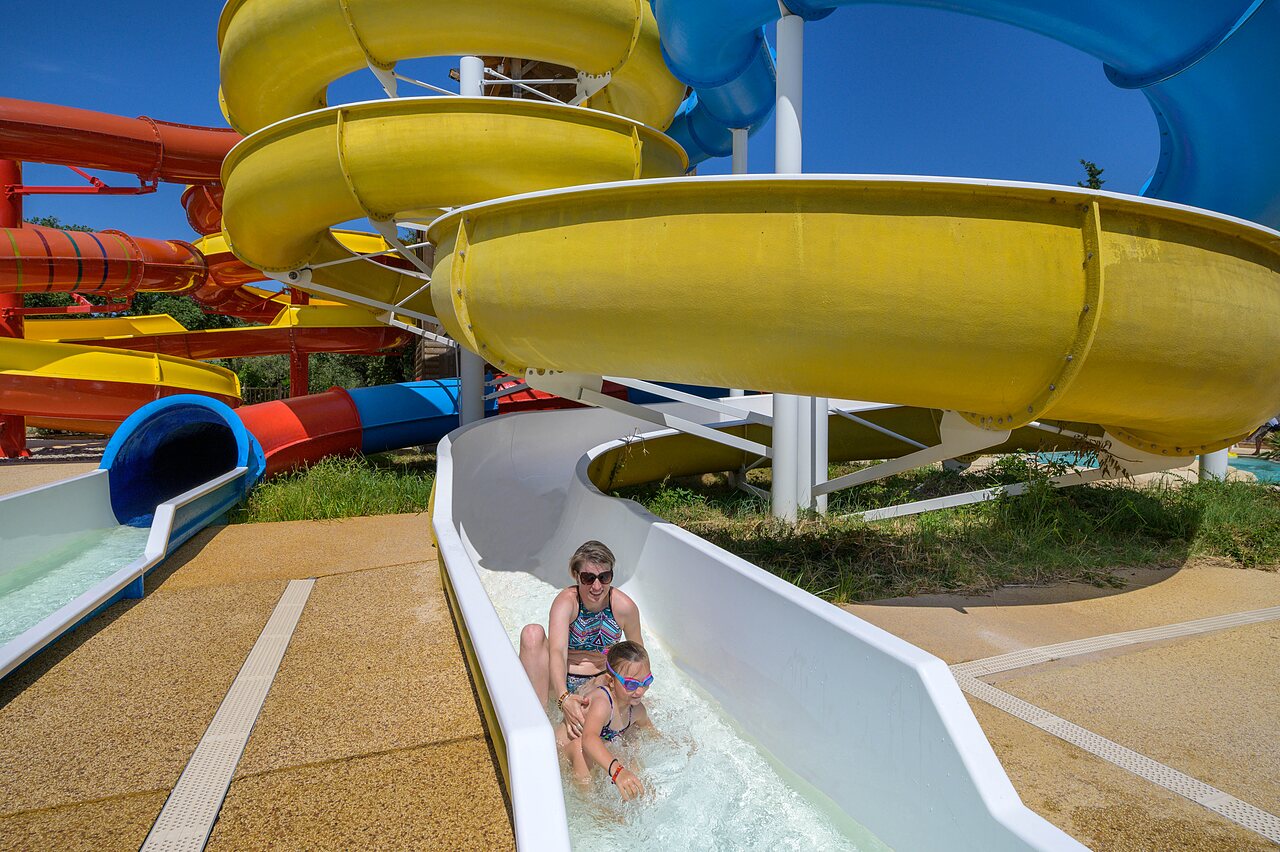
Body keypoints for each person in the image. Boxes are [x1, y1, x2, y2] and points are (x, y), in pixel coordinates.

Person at [519, 540, 643, 739]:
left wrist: (633, 693)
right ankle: (538, 719)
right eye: (588, 578)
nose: (597, 586)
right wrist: (563, 698)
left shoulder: (624, 608)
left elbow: (638, 658)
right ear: (576, 575)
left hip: (598, 680)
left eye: (604, 577)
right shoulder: (567, 602)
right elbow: (558, 652)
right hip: (558, 679)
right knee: (531, 633)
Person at [555, 641, 653, 800]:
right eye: (631, 684)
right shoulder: (602, 702)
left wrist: (676, 745)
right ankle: (589, 803)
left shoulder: (637, 710)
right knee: (580, 747)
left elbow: (651, 732)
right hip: (560, 756)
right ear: (611, 681)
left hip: (589, 753)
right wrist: (618, 771)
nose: (640, 690)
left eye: (647, 682)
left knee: (631, 754)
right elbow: (589, 739)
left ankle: (643, 797)